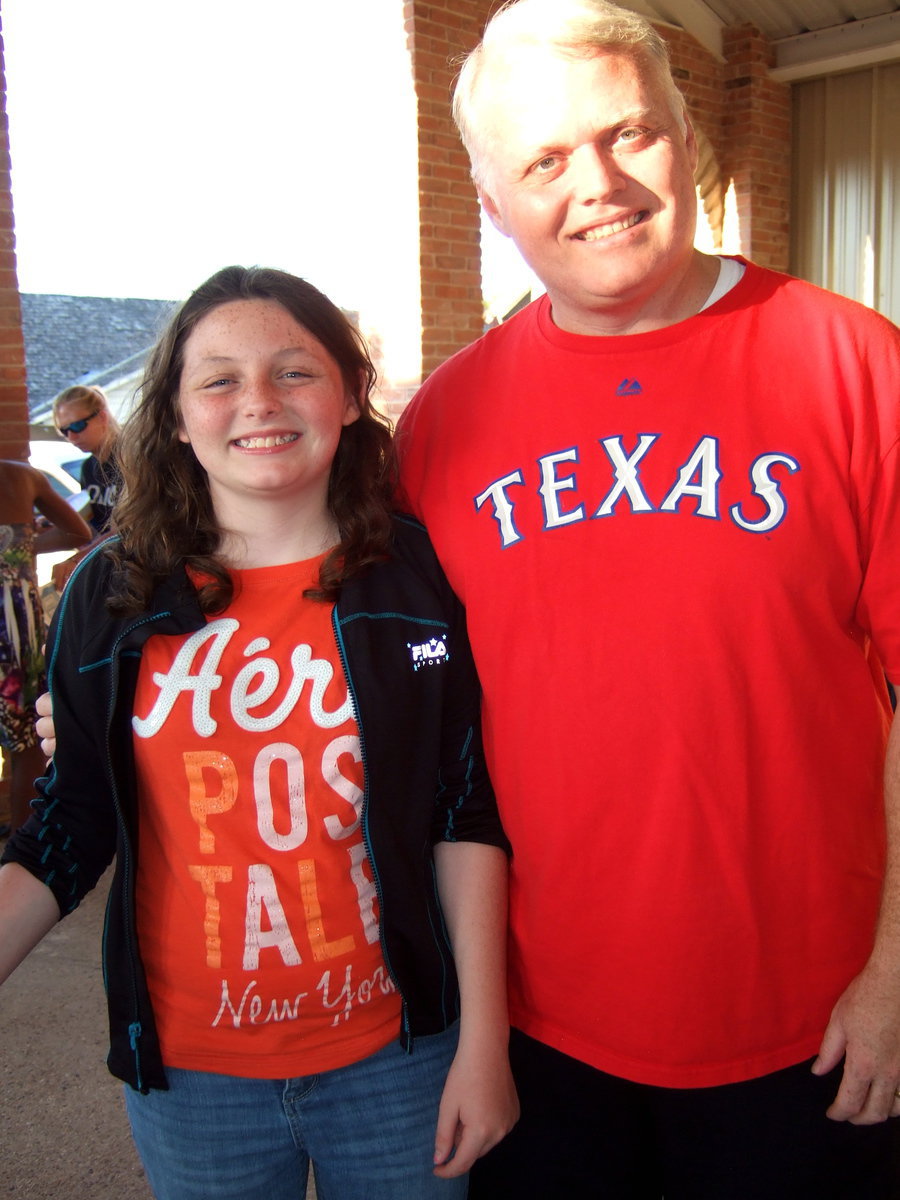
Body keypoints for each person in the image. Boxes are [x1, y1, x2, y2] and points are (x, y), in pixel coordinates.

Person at [395, 1, 900, 1196]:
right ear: (489, 198)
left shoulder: (857, 367)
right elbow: (399, 700)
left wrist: (898, 971)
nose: (601, 184)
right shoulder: (440, 428)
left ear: (689, 134)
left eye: (632, 133)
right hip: (539, 1038)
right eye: (546, 160)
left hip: (818, 1025)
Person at [1, 266, 518, 1200]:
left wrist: (486, 1043)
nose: (259, 403)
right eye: (219, 379)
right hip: (195, 1075)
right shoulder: (111, 592)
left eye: (294, 371)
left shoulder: (411, 574)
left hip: (399, 1056)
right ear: (177, 411)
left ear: (352, 396)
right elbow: (70, 824)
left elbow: (460, 810)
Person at [0, 460, 91, 835]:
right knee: (26, 744)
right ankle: (22, 851)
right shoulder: (20, 475)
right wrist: (16, 548)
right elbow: (76, 532)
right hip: (14, 623)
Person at [50, 384, 122, 589]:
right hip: (112, 568)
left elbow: (130, 527)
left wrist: (80, 558)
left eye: (78, 426)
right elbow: (92, 522)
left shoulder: (132, 458)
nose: (71, 437)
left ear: (102, 416)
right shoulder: (89, 467)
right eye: (64, 431)